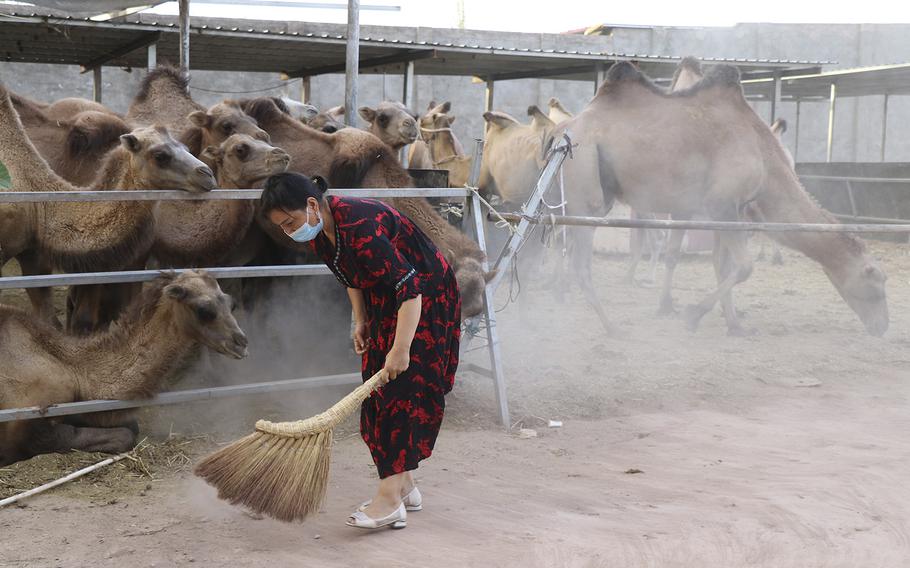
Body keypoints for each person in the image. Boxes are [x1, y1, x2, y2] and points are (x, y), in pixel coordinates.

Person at [259, 172, 461, 530]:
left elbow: (411, 288)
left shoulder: (361, 227)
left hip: (425, 299)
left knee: (401, 392)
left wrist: (401, 349)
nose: (291, 231)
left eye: (290, 222)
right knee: (375, 391)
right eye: (283, 228)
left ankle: (388, 500)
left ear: (310, 205)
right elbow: (350, 275)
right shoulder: (322, 234)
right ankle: (404, 486)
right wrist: (360, 319)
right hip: (387, 298)